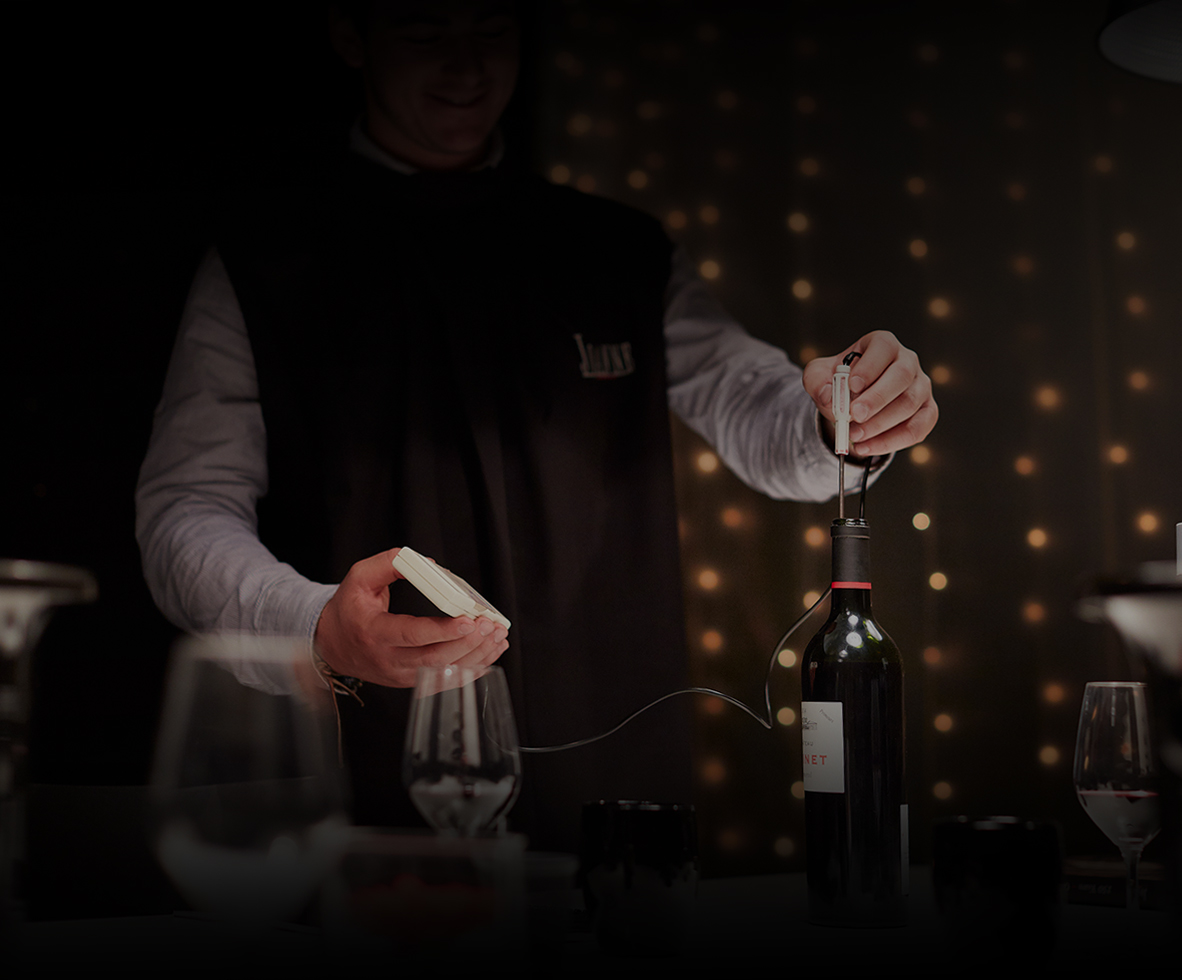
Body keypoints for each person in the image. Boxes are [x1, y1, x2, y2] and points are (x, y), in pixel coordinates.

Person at [136, 0, 937, 851]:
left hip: (615, 785)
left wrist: (849, 413)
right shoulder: (263, 262)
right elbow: (184, 512)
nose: (466, 66)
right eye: (425, 32)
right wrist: (315, 628)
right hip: (360, 795)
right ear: (351, 36)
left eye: (489, 32)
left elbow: (757, 411)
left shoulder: (619, 250)